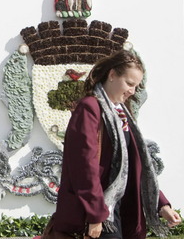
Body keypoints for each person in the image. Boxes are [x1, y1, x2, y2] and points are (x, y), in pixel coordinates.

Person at [52, 50, 181, 239]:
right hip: (99, 213)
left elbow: (134, 165)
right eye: (129, 83)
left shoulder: (122, 113)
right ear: (112, 75)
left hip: (123, 211)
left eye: (136, 86)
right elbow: (84, 166)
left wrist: (161, 204)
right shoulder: (90, 108)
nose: (132, 91)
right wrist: (95, 215)